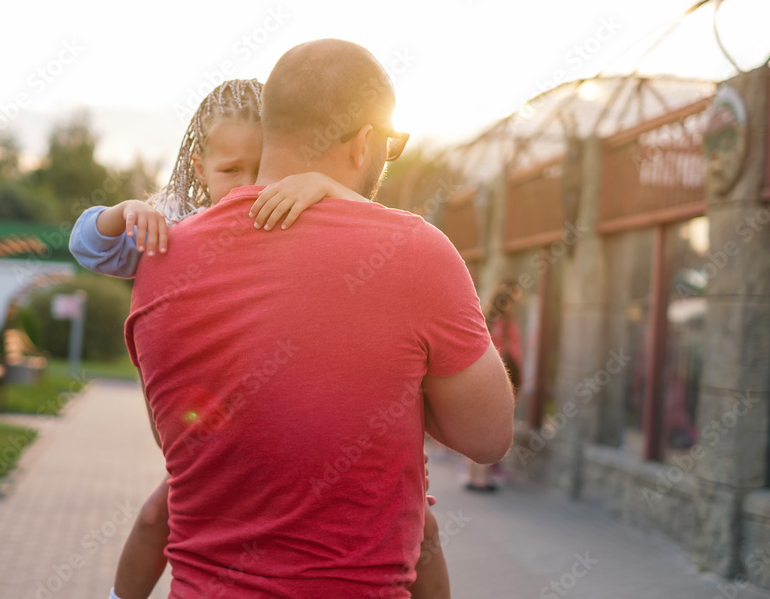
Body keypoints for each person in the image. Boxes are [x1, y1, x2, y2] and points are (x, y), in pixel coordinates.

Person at [120, 39, 514, 598]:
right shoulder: (417, 254)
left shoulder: (160, 263)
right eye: (391, 145)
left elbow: (188, 444)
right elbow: (489, 435)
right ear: (364, 145)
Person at [466, 278, 523, 492]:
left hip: (480, 379)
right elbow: (514, 356)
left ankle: (473, 477)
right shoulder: (507, 326)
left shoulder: (484, 320)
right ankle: (482, 479)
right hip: (499, 381)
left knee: (476, 428)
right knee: (489, 430)